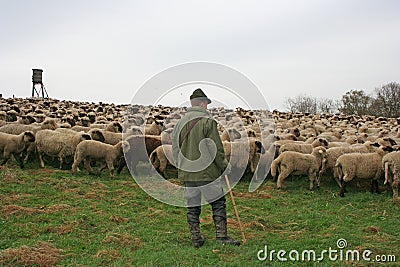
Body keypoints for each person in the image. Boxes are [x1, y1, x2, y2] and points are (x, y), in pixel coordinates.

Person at [172, 88, 240, 248]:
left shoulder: (179, 123)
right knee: (218, 203)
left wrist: (182, 165)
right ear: (202, 103)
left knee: (192, 206)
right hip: (207, 173)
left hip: (188, 173)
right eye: (206, 103)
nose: (207, 107)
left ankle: (196, 238)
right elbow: (215, 148)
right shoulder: (207, 121)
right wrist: (224, 166)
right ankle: (222, 236)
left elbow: (175, 149)